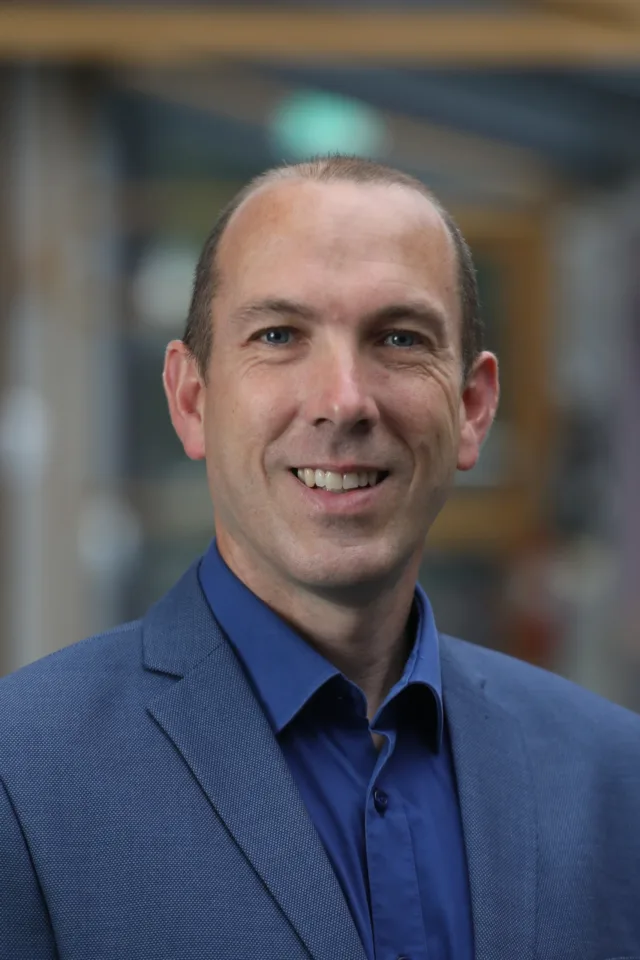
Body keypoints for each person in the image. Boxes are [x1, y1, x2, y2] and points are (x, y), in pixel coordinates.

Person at [0, 155, 639, 960]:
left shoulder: (617, 782)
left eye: (399, 338)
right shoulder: (20, 779)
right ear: (191, 399)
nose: (343, 401)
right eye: (279, 335)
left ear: (473, 408)